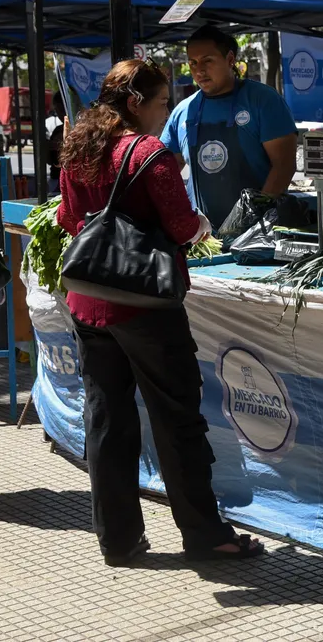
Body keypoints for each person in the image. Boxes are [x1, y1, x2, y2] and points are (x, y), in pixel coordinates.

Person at [58, 59, 264, 567]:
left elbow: (67, 218)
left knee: (106, 419)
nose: (165, 111)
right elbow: (178, 226)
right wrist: (198, 226)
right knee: (178, 422)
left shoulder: (80, 150)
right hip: (147, 307)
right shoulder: (149, 153)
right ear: (136, 103)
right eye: (162, 102)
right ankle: (204, 533)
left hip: (89, 302)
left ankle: (119, 540)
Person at [161, 25, 297, 229]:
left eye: (208, 61)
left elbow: (284, 165)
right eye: (193, 63)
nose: (199, 70)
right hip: (202, 237)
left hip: (256, 232)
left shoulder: (262, 100)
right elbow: (166, 171)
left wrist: (253, 218)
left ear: (230, 59)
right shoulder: (184, 111)